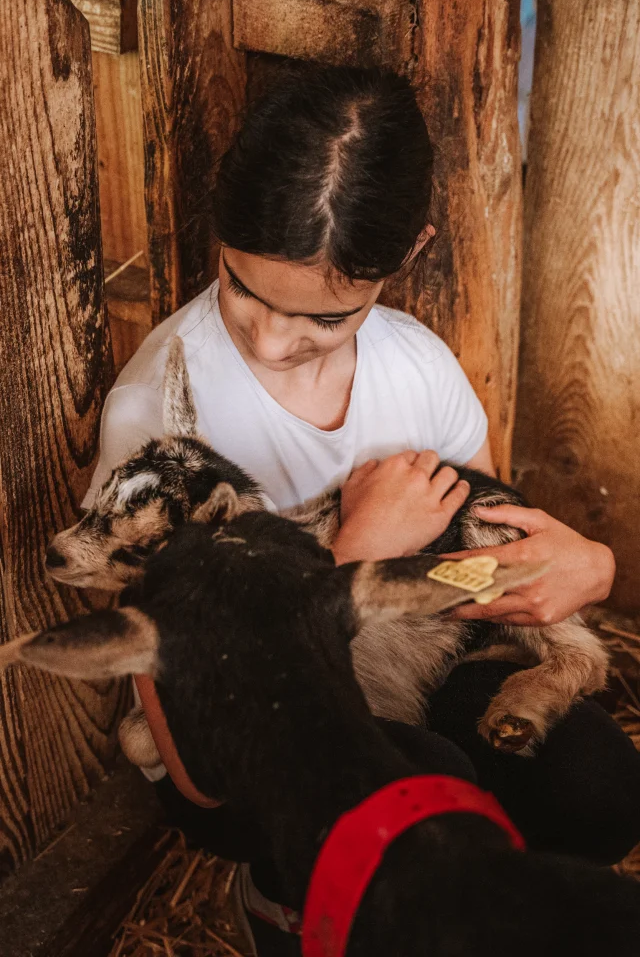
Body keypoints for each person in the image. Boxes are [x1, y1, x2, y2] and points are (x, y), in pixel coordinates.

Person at [85, 66, 640, 952]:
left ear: (410, 252)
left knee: (598, 787)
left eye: (324, 317)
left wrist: (587, 565)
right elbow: (174, 679)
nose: (270, 339)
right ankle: (284, 898)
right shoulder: (166, 408)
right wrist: (355, 555)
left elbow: (474, 557)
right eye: (241, 285)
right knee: (423, 789)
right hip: (250, 710)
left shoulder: (419, 370)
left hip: (414, 652)